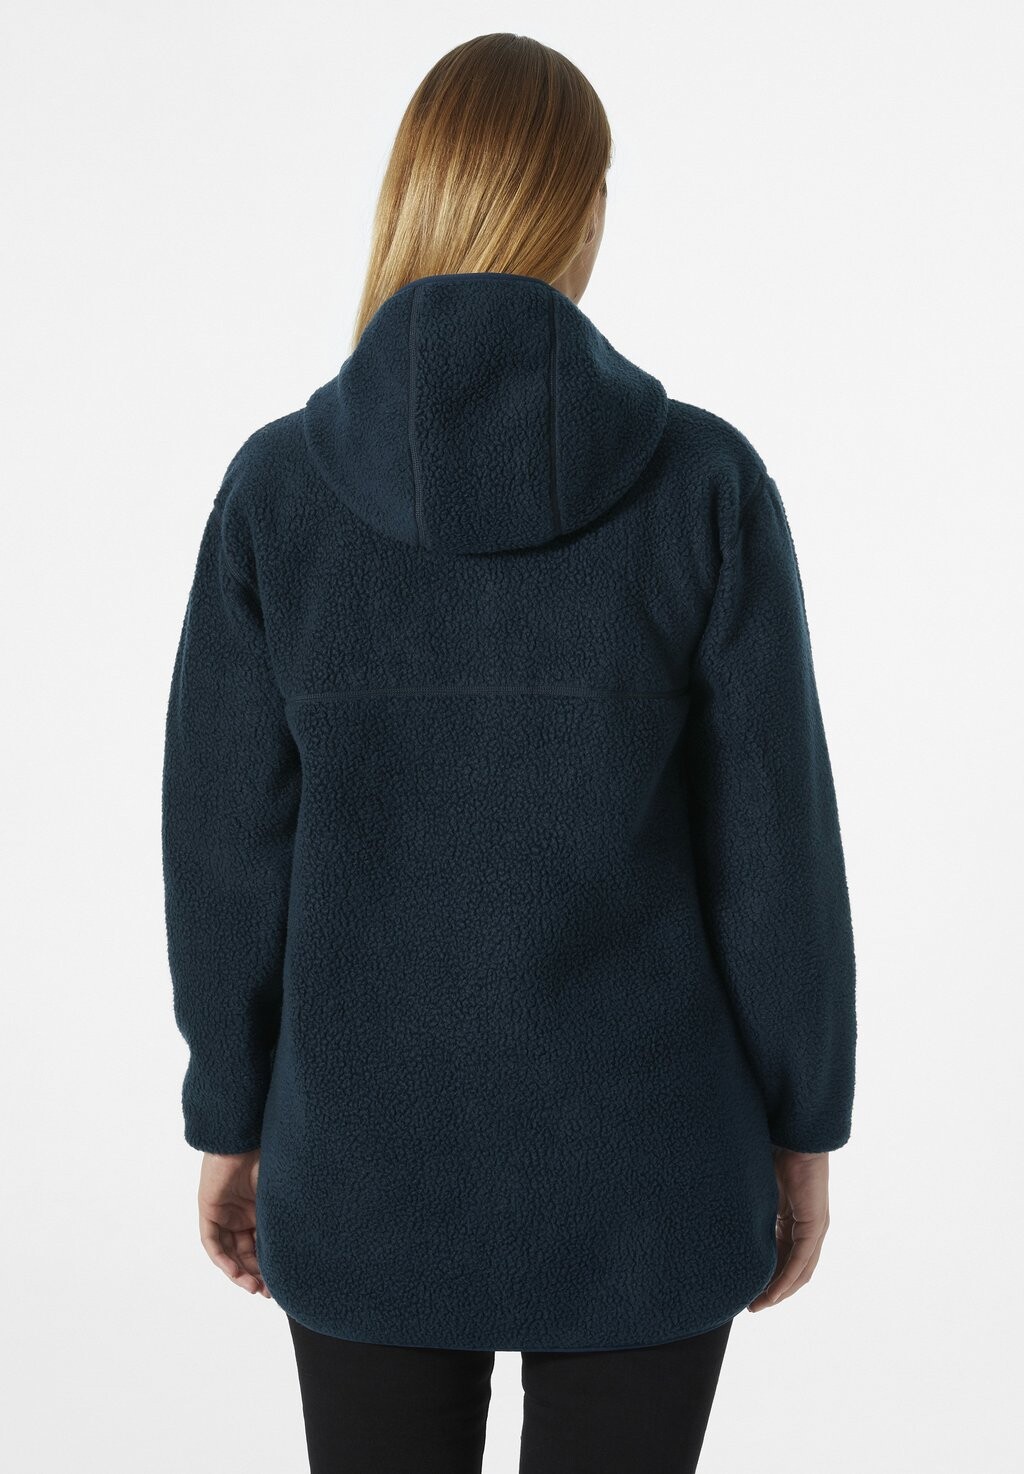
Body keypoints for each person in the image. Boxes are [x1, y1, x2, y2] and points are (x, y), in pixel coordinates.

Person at [161, 31, 857, 1474]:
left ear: (409, 198)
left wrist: (230, 1111)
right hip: (653, 1173)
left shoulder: (278, 494)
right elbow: (774, 850)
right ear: (583, 212)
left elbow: (225, 850)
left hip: (360, 1172)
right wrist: (804, 1125)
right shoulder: (705, 485)